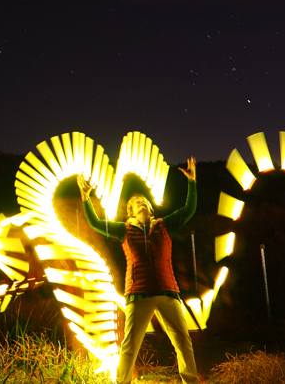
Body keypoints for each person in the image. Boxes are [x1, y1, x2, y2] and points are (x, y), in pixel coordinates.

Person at [77, 158, 199, 384]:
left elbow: (189, 209)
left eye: (144, 200)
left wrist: (192, 182)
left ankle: (190, 381)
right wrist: (86, 198)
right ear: (130, 211)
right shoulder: (122, 230)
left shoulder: (164, 225)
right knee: (130, 346)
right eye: (136, 202)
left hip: (167, 292)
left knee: (183, 341)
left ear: (151, 207)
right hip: (138, 294)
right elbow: (95, 223)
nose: (141, 202)